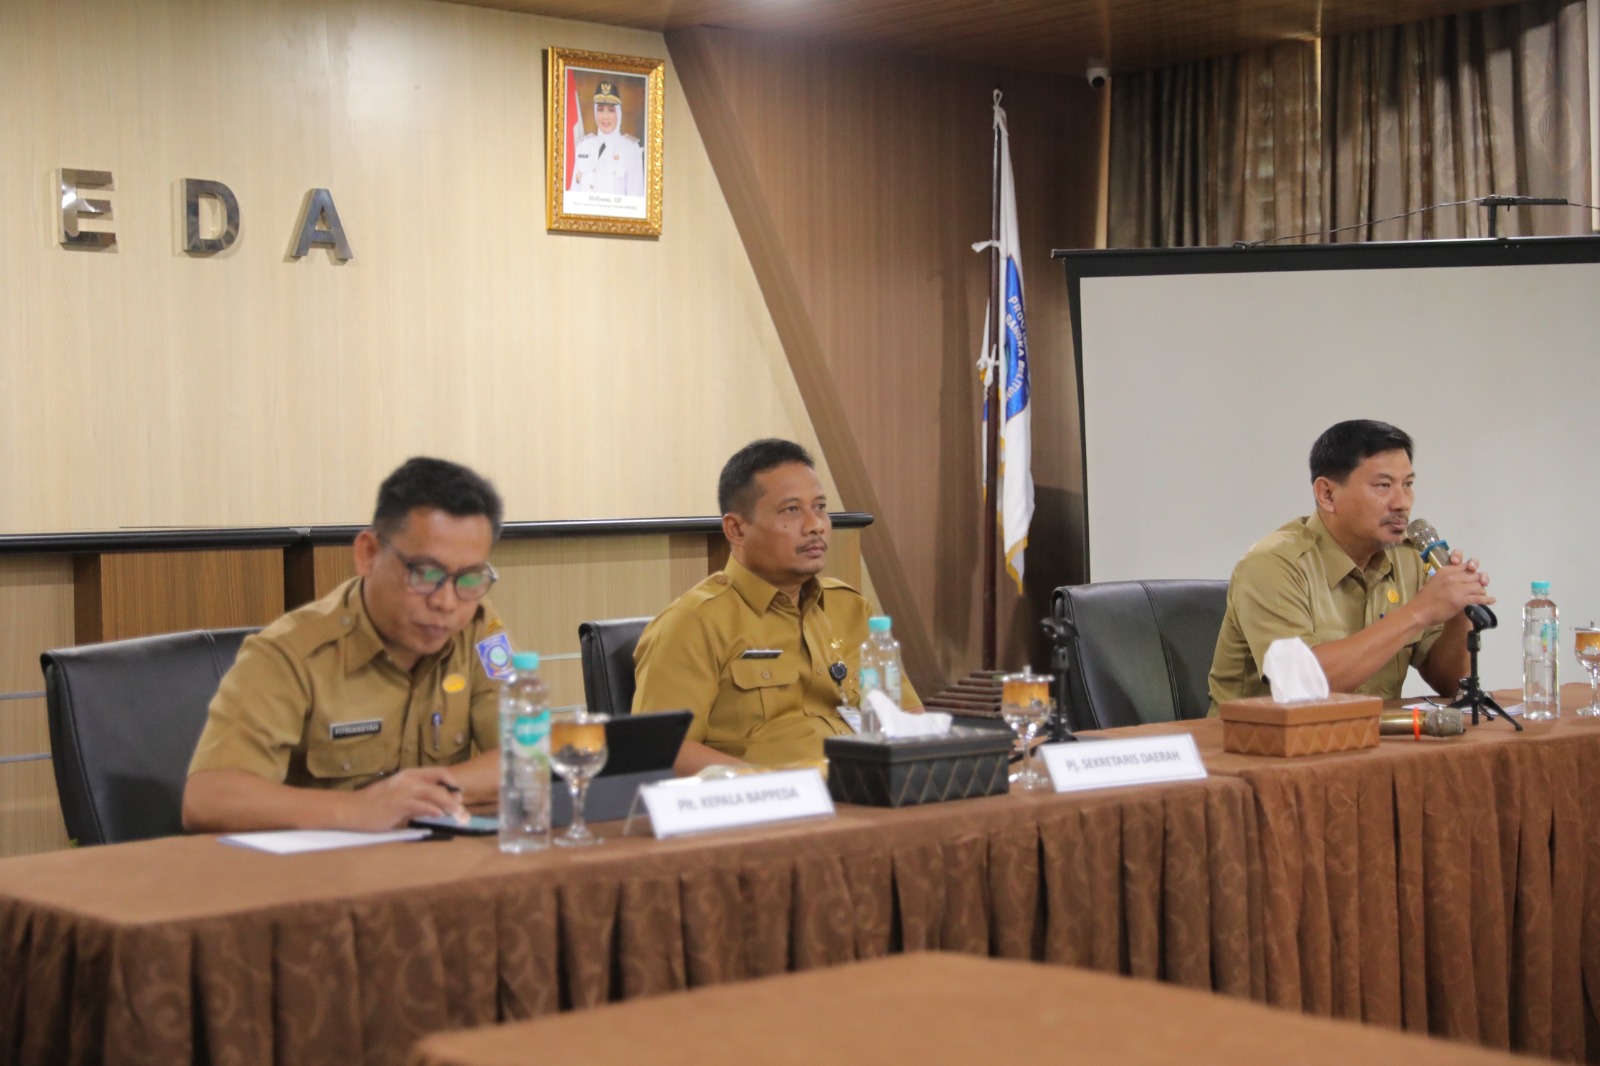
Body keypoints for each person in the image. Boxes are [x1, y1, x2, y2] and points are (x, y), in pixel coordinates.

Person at [183, 457, 513, 832]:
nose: (446, 602)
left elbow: (526, 754)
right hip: (322, 862)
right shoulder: (289, 653)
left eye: (469, 578)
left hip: (435, 855)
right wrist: (354, 809)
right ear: (368, 554)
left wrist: (418, 796)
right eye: (426, 574)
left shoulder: (477, 629)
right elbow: (209, 798)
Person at [633, 438, 920, 773]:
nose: (815, 525)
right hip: (774, 799)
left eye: (820, 507)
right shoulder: (694, 622)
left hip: (869, 788)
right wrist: (772, 784)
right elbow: (663, 750)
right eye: (791, 510)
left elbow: (907, 716)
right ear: (736, 529)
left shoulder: (850, 608)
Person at [1208, 420, 1494, 708]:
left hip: (1370, 733)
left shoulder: (1407, 557)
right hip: (1260, 735)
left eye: (1407, 484)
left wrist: (1458, 612)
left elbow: (1451, 683)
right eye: (1383, 485)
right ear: (1327, 495)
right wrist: (1419, 612)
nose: (1402, 503)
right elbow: (1300, 686)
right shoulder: (1272, 564)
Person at [568, 79, 645, 197]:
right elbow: (574, 194)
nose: (605, 117)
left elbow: (636, 198)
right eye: (600, 110)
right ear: (595, 112)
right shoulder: (583, 146)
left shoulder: (631, 149)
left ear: (618, 113)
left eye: (611, 110)